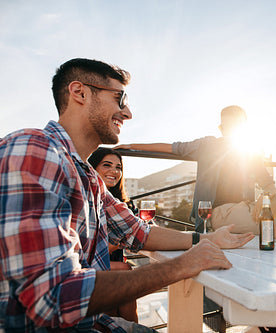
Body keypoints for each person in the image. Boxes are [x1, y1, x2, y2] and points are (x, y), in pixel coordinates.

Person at [0, 58, 254, 332]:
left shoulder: (89, 178)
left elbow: (139, 232)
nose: (128, 112)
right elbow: (52, 298)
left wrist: (206, 238)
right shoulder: (35, 149)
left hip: (93, 323)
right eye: (120, 99)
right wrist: (180, 266)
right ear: (80, 93)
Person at [116, 105, 276, 234]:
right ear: (221, 127)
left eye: (237, 124)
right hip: (221, 212)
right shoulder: (208, 145)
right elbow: (171, 147)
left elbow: (269, 185)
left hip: (249, 208)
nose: (232, 128)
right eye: (228, 124)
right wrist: (131, 145)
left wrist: (266, 195)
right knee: (270, 231)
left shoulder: (250, 150)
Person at [88, 147, 138, 322]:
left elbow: (140, 235)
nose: (114, 171)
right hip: (89, 263)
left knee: (122, 276)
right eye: (107, 165)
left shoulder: (123, 204)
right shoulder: (87, 199)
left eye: (118, 167)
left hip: (113, 262)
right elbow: (94, 251)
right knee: (124, 272)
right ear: (92, 168)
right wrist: (125, 237)